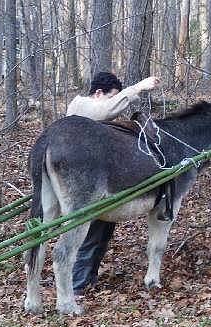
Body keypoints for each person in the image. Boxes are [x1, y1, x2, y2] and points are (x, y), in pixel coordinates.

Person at [65, 71, 160, 296]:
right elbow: (104, 111)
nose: (112, 101)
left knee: (102, 234)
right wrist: (138, 87)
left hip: (101, 177)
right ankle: (77, 285)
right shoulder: (81, 105)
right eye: (111, 96)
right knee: (90, 236)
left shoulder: (90, 109)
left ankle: (86, 279)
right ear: (99, 93)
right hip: (86, 182)